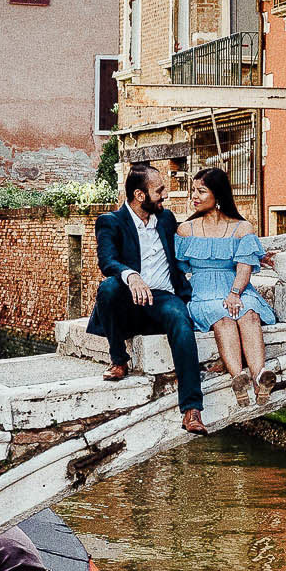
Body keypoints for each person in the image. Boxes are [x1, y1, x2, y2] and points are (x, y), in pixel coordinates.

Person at [86, 162, 206, 433]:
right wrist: (131, 275)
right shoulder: (111, 222)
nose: (165, 195)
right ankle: (119, 359)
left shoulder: (166, 219)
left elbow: (198, 236)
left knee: (180, 318)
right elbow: (107, 261)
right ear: (140, 196)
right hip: (130, 299)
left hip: (163, 297)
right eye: (159, 190)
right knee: (107, 289)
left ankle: (191, 410)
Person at [175, 166, 278, 409]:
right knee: (222, 318)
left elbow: (244, 265)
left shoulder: (242, 228)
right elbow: (177, 267)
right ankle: (237, 378)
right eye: (193, 191)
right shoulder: (185, 230)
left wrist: (235, 293)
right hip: (202, 290)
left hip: (237, 287)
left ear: (218, 194)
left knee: (249, 312)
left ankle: (260, 376)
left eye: (201, 191)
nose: (194, 197)